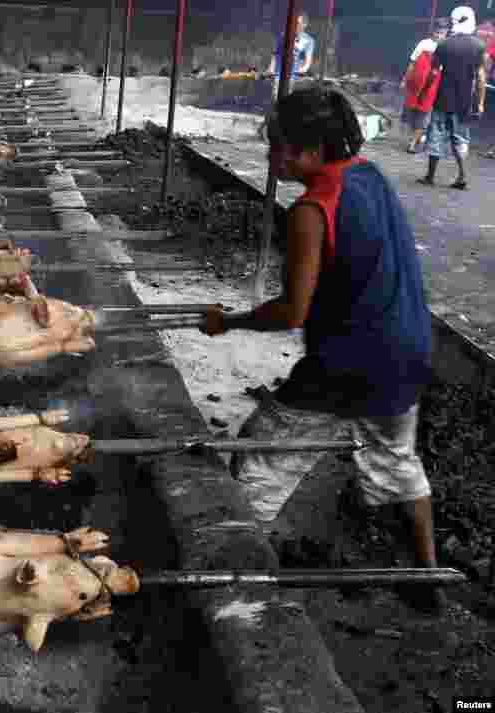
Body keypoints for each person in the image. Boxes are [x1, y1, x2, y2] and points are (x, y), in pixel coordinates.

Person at [202, 87, 443, 614]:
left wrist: (229, 323)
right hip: (408, 354)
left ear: (311, 148)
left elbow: (293, 312)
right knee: (399, 462)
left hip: (348, 364)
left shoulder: (311, 210)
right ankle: (427, 574)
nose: (272, 158)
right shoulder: (372, 177)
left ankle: (234, 579)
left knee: (261, 454)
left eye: (279, 148)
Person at [419, 6, 487, 190]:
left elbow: (433, 73)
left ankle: (430, 176)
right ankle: (462, 176)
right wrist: (480, 103)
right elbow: (481, 78)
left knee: (436, 136)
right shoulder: (479, 46)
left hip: (443, 100)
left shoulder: (444, 45)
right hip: (464, 102)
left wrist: (423, 92)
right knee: (460, 139)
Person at [400, 22, 449, 153]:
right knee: (411, 113)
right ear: (432, 31)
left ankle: (413, 143)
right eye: (437, 32)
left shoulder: (446, 47)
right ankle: (415, 137)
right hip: (415, 85)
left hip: (432, 87)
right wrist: (405, 79)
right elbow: (412, 63)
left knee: (424, 113)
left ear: (446, 34)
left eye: (442, 33)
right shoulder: (423, 44)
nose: (439, 36)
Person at [267, 13, 316, 99]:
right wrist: (271, 69)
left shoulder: (309, 41)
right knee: (277, 99)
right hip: (280, 76)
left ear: (304, 25)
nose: (294, 25)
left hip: (295, 80)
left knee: (291, 102)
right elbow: (276, 54)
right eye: (294, 22)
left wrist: (302, 70)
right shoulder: (283, 35)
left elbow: (307, 62)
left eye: (297, 23)